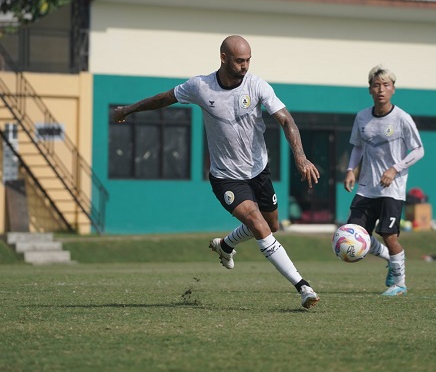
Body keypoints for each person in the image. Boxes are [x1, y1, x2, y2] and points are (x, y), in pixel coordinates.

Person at [112, 35, 321, 309]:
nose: (245, 66)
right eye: (239, 60)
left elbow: (285, 119)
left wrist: (301, 157)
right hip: (226, 177)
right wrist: (128, 110)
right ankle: (303, 286)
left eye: (248, 60)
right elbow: (164, 99)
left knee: (271, 226)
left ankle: (224, 246)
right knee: (258, 225)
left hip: (258, 171)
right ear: (223, 58)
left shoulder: (257, 85)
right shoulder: (200, 86)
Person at [343, 65, 424, 296]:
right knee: (356, 235)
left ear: (393, 89)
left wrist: (395, 169)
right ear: (370, 89)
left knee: (389, 235)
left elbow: (418, 150)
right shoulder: (362, 117)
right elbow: (358, 147)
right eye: (376, 85)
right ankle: (390, 258)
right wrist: (351, 170)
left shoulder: (402, 118)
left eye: (386, 85)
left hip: (392, 188)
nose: (381, 90)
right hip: (367, 188)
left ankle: (399, 284)